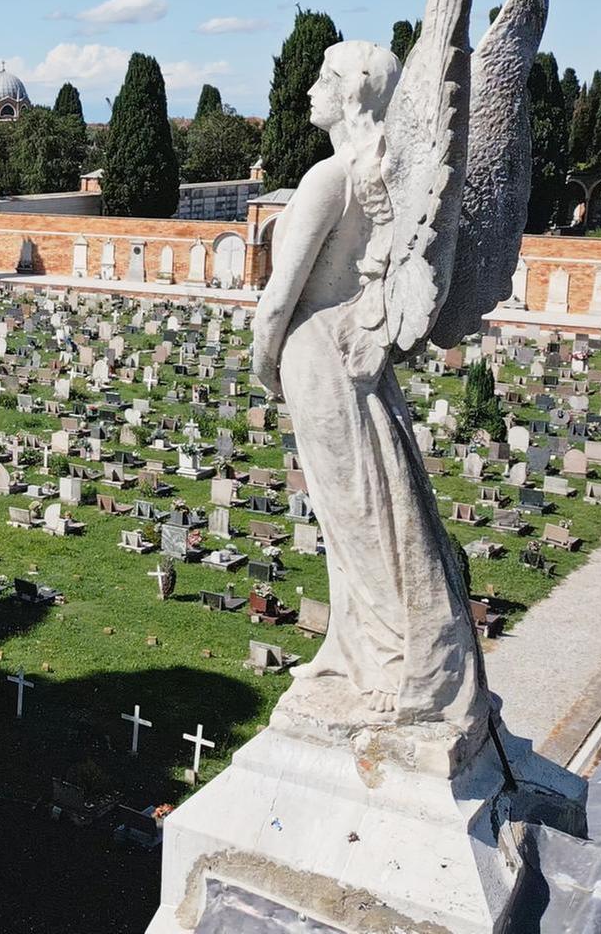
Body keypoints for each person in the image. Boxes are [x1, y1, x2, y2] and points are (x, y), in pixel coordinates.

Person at [250, 41, 485, 740]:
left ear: (354, 92)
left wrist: (266, 366)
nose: (309, 92)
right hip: (352, 353)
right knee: (362, 513)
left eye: (322, 79)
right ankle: (352, 650)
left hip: (317, 358)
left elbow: (277, 300)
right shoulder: (378, 179)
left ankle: (409, 667)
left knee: (361, 519)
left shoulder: (328, 180)